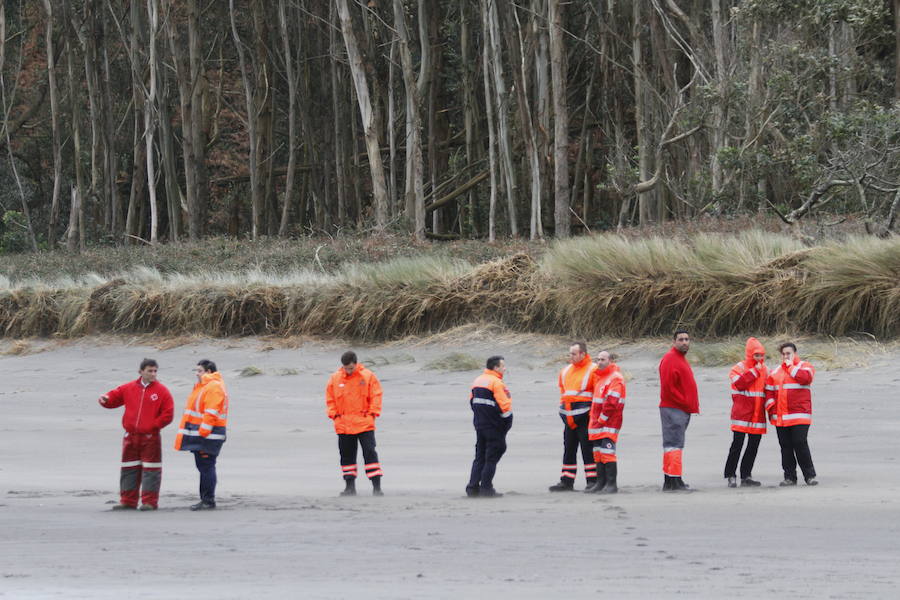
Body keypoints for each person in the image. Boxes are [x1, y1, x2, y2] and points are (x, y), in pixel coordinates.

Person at [98, 358, 174, 511]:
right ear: (141, 372)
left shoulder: (162, 391)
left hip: (150, 437)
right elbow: (112, 399)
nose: (153, 374)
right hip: (130, 436)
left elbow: (168, 414)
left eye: (155, 371)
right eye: (150, 371)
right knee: (129, 469)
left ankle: (149, 502)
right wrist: (105, 400)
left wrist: (153, 426)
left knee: (151, 470)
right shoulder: (128, 388)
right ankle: (127, 501)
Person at [325, 351, 384, 496]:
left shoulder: (368, 376)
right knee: (346, 456)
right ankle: (349, 487)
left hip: (364, 422)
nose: (348, 371)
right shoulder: (335, 378)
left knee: (370, 453)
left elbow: (376, 395)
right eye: (346, 368)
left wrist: (372, 413)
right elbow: (330, 399)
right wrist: (333, 415)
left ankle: (377, 487)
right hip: (343, 424)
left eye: (351, 368)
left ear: (356, 364)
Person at [174, 360, 228, 510]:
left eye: (200, 371)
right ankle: (206, 499)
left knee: (206, 467)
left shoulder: (214, 386)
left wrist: (203, 433)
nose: (197, 374)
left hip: (209, 435)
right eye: (196, 371)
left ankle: (208, 500)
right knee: (204, 466)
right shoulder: (203, 387)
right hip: (202, 434)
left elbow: (211, 412)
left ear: (209, 371)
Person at [766, 342, 818, 486]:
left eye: (788, 353)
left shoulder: (805, 366)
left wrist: (790, 366)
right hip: (781, 417)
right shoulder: (775, 371)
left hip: (800, 415)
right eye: (783, 354)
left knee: (800, 443)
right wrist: (771, 407)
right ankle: (789, 477)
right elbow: (769, 390)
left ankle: (810, 476)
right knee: (785, 447)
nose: (786, 356)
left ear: (794, 353)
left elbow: (805, 378)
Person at [549, 342, 598, 491]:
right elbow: (563, 393)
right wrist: (563, 413)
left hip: (586, 416)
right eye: (570, 353)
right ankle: (566, 481)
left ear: (583, 354)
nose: (570, 356)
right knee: (569, 449)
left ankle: (592, 481)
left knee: (587, 449)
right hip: (568, 417)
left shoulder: (593, 370)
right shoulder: (565, 371)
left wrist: (594, 416)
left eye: (574, 354)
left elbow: (597, 394)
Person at [724, 337, 768, 488]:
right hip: (742, 414)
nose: (760, 358)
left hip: (758, 415)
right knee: (737, 445)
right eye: (756, 355)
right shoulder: (738, 368)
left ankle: (746, 476)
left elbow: (768, 391)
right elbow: (740, 384)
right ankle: (730, 475)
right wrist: (755, 372)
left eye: (761, 355)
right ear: (749, 354)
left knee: (753, 447)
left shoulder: (765, 369)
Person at [466, 355, 513, 498]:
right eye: (503, 366)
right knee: (492, 456)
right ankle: (486, 488)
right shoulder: (497, 383)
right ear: (496, 367)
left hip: (480, 424)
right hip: (493, 426)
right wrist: (505, 426)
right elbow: (505, 407)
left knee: (480, 456)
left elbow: (472, 402)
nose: (505, 368)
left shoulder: (477, 381)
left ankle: (472, 487)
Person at [658, 330, 699, 492]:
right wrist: (684, 403)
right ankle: (673, 481)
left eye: (687, 339)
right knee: (674, 445)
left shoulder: (679, 358)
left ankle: (672, 480)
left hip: (680, 409)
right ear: (674, 341)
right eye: (681, 339)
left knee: (673, 445)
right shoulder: (670, 359)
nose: (684, 342)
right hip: (674, 408)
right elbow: (668, 388)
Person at [585, 351, 625, 494]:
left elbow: (612, 402)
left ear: (610, 360)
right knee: (598, 453)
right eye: (598, 359)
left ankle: (611, 485)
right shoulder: (600, 377)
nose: (599, 362)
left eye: (603, 359)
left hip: (608, 423)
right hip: (596, 424)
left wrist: (602, 418)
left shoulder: (615, 378)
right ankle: (600, 483)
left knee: (607, 453)